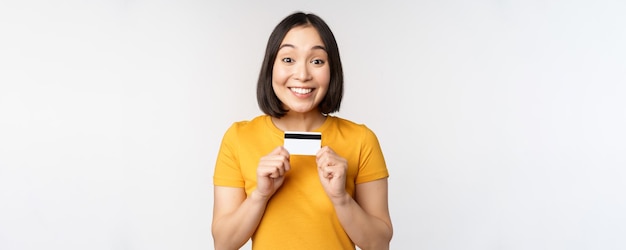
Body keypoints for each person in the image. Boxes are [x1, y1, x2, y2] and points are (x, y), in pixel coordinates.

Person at [212, 11, 392, 250]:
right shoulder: (238, 138)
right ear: (270, 67)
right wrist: (260, 195)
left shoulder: (361, 140)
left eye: (317, 61)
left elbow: (379, 244)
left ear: (332, 70)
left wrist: (341, 199)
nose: (303, 75)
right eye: (288, 59)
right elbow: (223, 243)